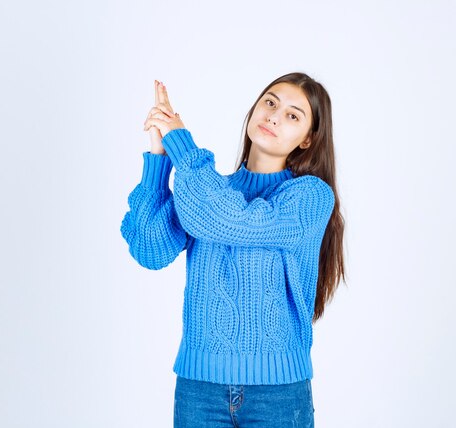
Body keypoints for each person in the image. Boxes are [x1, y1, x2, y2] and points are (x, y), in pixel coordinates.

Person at [120, 72, 346, 427]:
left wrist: (183, 146)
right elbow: (150, 248)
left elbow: (231, 219)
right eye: (270, 102)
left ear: (307, 140)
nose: (273, 115)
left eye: (292, 115)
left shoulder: (310, 198)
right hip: (199, 389)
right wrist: (159, 157)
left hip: (278, 394)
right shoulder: (206, 191)